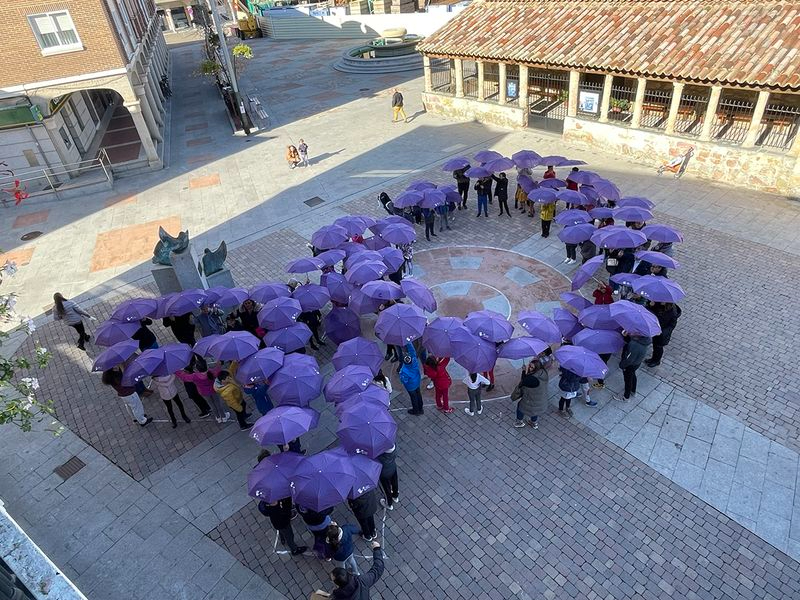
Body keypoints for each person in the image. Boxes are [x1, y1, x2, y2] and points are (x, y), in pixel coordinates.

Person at [176, 357, 227, 422]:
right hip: (214, 390)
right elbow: (218, 369)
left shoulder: (195, 376)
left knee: (211, 405)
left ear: (197, 369)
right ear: (206, 366)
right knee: (218, 403)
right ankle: (223, 416)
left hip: (204, 392)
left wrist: (176, 371)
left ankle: (218, 417)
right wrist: (218, 363)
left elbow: (184, 377)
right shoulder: (211, 372)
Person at [513, 358, 549, 429]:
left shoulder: (533, 379)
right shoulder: (543, 373)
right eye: (529, 366)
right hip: (541, 400)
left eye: (531, 367)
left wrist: (524, 371)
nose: (529, 368)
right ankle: (534, 423)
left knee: (520, 407)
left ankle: (519, 422)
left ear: (536, 368)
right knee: (535, 411)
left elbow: (524, 382)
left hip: (531, 399)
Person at [646, 303, 681, 367]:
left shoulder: (672, 312)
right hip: (656, 329)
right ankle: (653, 359)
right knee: (655, 345)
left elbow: (672, 325)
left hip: (662, 333)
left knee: (658, 347)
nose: (661, 301)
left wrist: (663, 332)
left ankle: (656, 360)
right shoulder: (657, 304)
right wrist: (650, 305)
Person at [619, 333, 652, 399]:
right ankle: (633, 390)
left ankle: (626, 397)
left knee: (627, 380)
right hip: (637, 362)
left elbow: (629, 359)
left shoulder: (634, 344)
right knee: (633, 375)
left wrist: (622, 365)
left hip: (630, 365)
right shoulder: (646, 341)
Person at [399, 343, 423, 415]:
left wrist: (400, 375)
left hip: (410, 386)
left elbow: (404, 381)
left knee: (413, 398)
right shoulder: (414, 360)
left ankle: (416, 411)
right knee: (418, 394)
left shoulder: (403, 371)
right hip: (417, 381)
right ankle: (421, 409)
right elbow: (412, 350)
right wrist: (408, 342)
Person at [377, 444, 399, 510]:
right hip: (393, 468)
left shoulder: (381, 457)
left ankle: (389, 504)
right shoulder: (394, 448)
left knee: (386, 489)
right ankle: (395, 496)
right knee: (395, 482)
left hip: (384, 474)